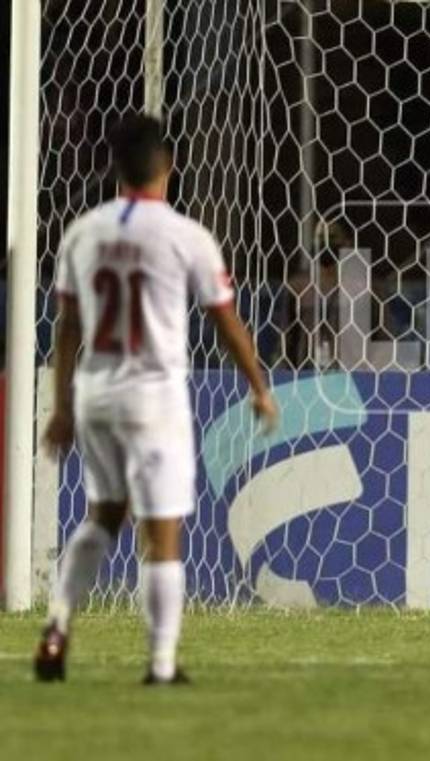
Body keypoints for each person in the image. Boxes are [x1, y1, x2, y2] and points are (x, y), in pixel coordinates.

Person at [36, 114, 278, 683]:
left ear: (117, 169)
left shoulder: (83, 232)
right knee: (162, 533)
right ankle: (162, 665)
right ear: (168, 169)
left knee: (102, 517)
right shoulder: (185, 236)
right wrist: (259, 387)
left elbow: (65, 328)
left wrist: (63, 408)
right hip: (154, 397)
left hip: (96, 394)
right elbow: (226, 320)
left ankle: (57, 625)